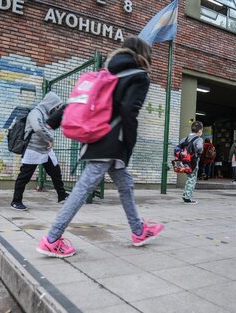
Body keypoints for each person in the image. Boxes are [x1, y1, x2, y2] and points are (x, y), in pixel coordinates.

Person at [36, 36, 163, 258]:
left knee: (126, 184)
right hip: (111, 141)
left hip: (97, 137)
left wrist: (53, 121)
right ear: (144, 55)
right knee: (83, 188)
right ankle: (52, 239)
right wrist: (129, 146)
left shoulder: (108, 73)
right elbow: (129, 111)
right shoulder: (140, 76)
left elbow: (80, 100)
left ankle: (138, 230)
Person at [11, 91, 69, 211]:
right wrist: (50, 139)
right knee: (24, 176)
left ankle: (62, 196)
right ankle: (16, 201)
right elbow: (38, 128)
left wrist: (48, 140)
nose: (57, 109)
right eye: (56, 106)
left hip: (46, 151)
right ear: (50, 103)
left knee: (55, 172)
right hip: (33, 150)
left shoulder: (47, 114)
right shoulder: (35, 113)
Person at [181, 121, 204, 204]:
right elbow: (200, 147)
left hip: (185, 162)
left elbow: (180, 147)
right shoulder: (199, 139)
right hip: (193, 162)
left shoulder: (185, 138)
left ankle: (185, 194)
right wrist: (198, 151)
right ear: (200, 131)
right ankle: (187, 198)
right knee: (192, 179)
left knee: (189, 177)